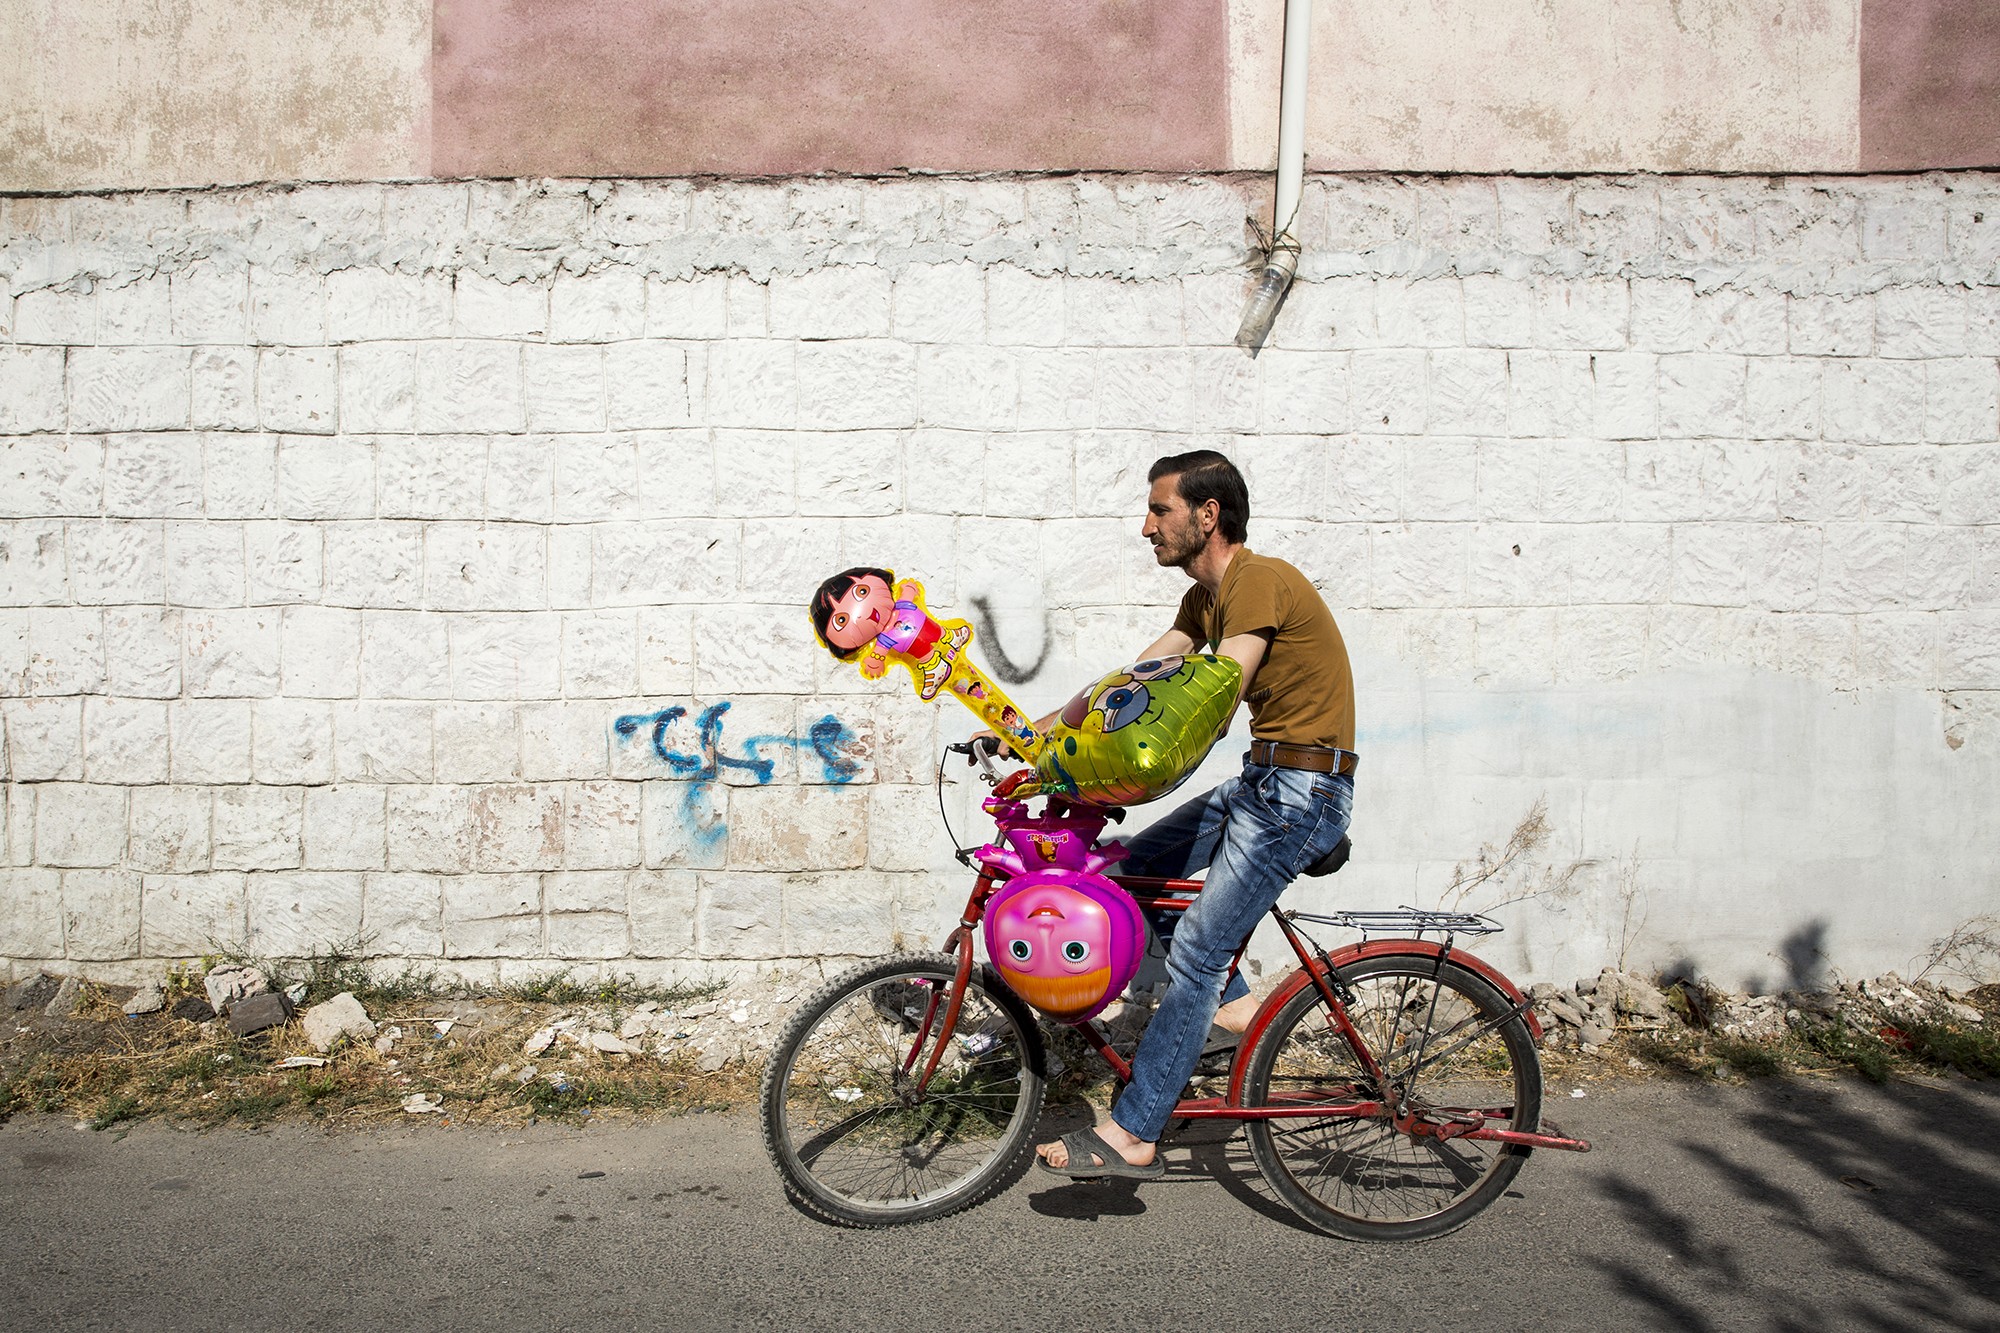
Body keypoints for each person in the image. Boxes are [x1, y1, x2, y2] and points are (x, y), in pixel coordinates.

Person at [1012, 449, 1358, 1180]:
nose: (1146, 527)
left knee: (1198, 946)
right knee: (1131, 871)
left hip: (1302, 794)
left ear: (1208, 515)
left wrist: (1108, 774)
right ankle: (1233, 1013)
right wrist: (1028, 739)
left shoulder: (1258, 581)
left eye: (1159, 509)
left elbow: (1210, 702)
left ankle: (1136, 1130)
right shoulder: (1204, 600)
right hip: (1267, 782)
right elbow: (1125, 687)